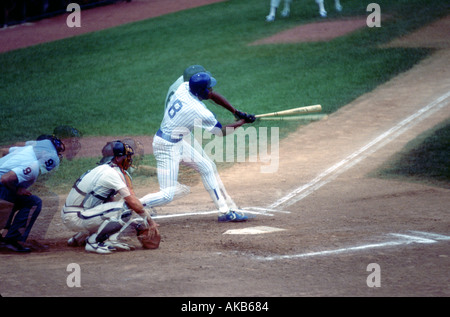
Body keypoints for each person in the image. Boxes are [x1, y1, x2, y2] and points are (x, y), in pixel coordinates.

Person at [141, 71, 255, 222]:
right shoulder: (199, 111)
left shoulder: (184, 87)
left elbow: (212, 95)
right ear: (202, 91)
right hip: (166, 147)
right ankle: (131, 205)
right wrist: (243, 122)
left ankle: (224, 212)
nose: (212, 90)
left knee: (207, 167)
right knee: (168, 194)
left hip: (177, 142)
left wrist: (236, 112)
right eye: (209, 88)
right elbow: (220, 132)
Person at [61, 140, 157, 254]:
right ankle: (93, 242)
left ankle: (80, 238)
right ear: (117, 158)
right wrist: (150, 221)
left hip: (74, 214)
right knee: (126, 208)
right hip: (77, 217)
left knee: (113, 209)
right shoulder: (112, 174)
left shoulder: (103, 169)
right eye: (126, 157)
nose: (129, 160)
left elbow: (107, 204)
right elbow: (132, 202)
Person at [0, 136, 63, 252]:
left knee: (17, 197)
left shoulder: (25, 150)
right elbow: (5, 179)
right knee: (32, 202)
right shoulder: (33, 166)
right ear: (44, 152)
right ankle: (12, 241)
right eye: (56, 151)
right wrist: (17, 189)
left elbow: (4, 151)